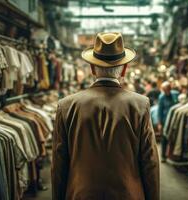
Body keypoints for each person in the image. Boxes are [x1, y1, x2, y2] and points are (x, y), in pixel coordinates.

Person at [52, 32, 160, 200]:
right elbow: (150, 162)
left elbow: (59, 164)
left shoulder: (66, 106)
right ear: (124, 69)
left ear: (92, 68)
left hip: (79, 195)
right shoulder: (140, 105)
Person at [158, 81, 179, 162]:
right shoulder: (161, 97)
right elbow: (160, 111)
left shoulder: (175, 94)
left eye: (168, 89)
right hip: (165, 120)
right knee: (164, 138)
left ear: (170, 88)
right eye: (165, 90)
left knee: (173, 137)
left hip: (175, 119)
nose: (167, 91)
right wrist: (159, 123)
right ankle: (163, 156)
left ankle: (172, 154)